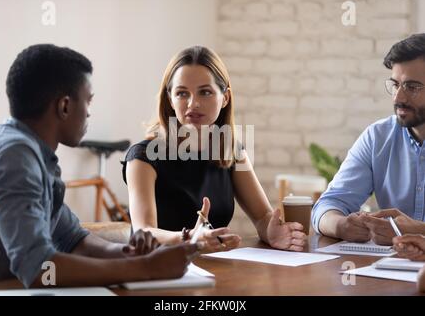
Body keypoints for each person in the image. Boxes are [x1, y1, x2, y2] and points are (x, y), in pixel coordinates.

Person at [0, 44, 199, 288]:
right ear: (65, 106)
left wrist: (131, 252)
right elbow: (41, 269)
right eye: (88, 101)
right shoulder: (16, 159)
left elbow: (72, 238)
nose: (89, 114)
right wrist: (146, 268)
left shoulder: (18, 147)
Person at [123, 45, 307, 252]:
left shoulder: (231, 152)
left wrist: (272, 232)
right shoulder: (143, 158)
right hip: (160, 272)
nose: (194, 104)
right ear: (170, 99)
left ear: (225, 97)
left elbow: (262, 217)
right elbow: (144, 232)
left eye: (205, 92)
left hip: (215, 269)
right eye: (182, 93)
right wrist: (188, 237)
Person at [312, 34, 425, 245]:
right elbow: (328, 205)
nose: (398, 98)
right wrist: (341, 225)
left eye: (412, 87)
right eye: (395, 85)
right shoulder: (378, 137)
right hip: (390, 272)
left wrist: (419, 230)